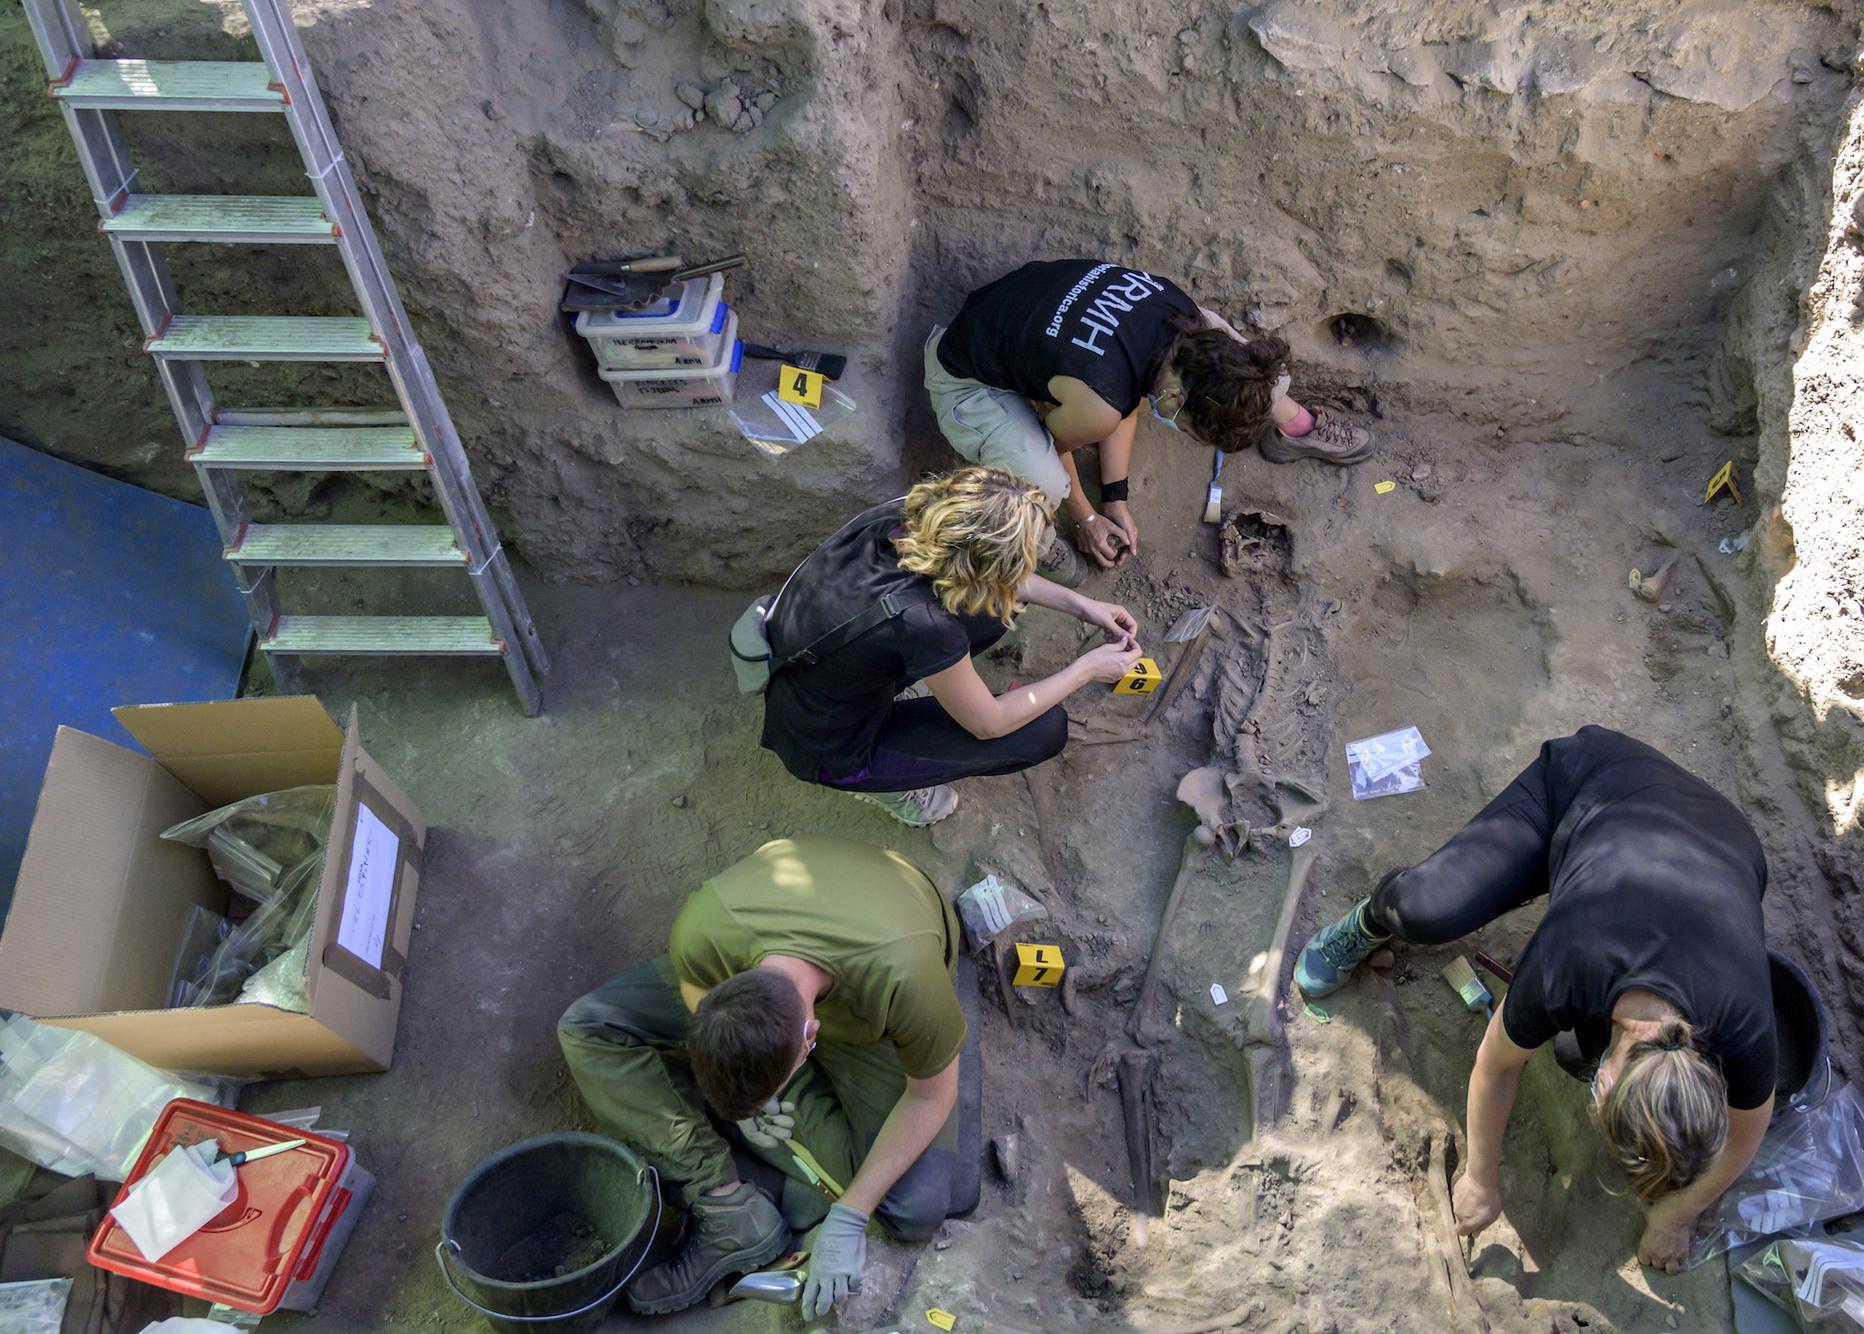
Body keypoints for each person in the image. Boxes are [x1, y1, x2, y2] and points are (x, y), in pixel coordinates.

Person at [1292, 726, 1776, 1273]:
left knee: (1572, 1054)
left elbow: (1745, 1133)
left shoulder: (1747, 1021)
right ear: (1612, 1081)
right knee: (1427, 909)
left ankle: (1577, 875)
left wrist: (1676, 1216)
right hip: (1593, 784)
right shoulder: (1566, 965)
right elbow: (1494, 1067)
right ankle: (1372, 918)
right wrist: (1479, 1177)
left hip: (1719, 837)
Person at [558, 837, 970, 1317]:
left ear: (811, 1038)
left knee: (910, 1209)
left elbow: (930, 1097)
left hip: (881, 980)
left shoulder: (904, 979)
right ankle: (724, 1204)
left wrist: (850, 1214)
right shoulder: (704, 932)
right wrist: (746, 1078)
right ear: (728, 987)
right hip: (793, 948)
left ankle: (805, 1144)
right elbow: (694, 985)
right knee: (587, 1026)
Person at [925, 257, 1376, 571]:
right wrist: (1086, 518)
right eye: (1190, 430)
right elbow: (1059, 440)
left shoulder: (1182, 318)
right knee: (1043, 479)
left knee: (1249, 367)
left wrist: (1115, 497)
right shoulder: (1102, 401)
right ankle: (1037, 542)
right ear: (1176, 401)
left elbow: (1128, 395)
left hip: (1031, 304)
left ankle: (1293, 426)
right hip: (965, 375)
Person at [760, 465, 1143, 826]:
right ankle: (887, 789)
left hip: (815, 664)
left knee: (994, 609)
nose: (1030, 568)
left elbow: (992, 579)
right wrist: (1088, 669)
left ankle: (893, 686)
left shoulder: (910, 515)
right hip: (827, 745)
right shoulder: (925, 624)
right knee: (1044, 729)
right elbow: (989, 724)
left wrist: (1084, 607)